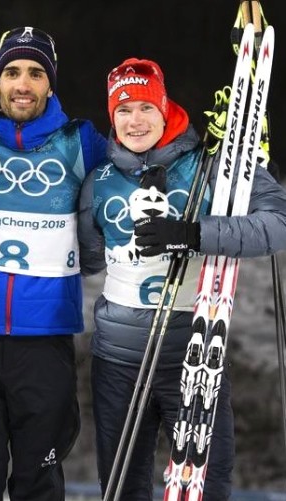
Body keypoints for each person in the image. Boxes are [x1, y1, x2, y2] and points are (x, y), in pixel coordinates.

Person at [77, 57, 286, 500]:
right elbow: (90, 259)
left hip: (194, 352)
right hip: (116, 360)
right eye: (123, 110)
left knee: (206, 486)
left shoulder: (211, 165)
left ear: (165, 107)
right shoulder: (99, 181)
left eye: (146, 107)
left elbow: (278, 224)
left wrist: (192, 234)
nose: (135, 121)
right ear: (112, 118)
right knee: (120, 487)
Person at [0, 26, 108, 501]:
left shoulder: (81, 142)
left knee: (39, 486)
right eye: (12, 72)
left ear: (50, 85)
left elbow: (140, 148)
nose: (23, 83)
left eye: (36, 73)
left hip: (46, 348)